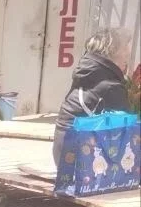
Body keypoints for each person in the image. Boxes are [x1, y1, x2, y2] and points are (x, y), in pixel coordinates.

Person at [53, 27, 132, 166]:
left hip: (63, 156)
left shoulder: (87, 74)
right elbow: (127, 132)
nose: (127, 56)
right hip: (83, 163)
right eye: (124, 50)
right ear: (112, 52)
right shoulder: (111, 86)